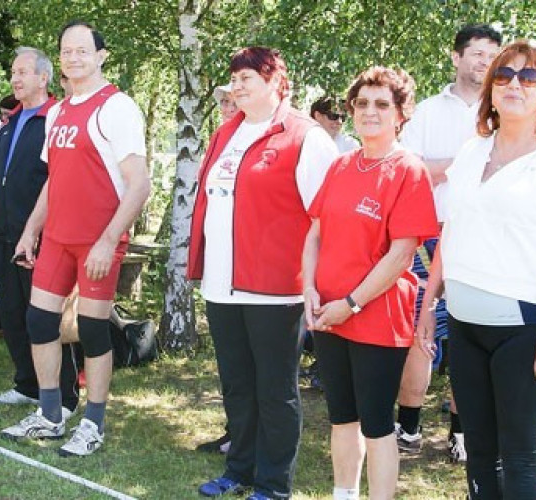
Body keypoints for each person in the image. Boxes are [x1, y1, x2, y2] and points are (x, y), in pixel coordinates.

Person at [188, 46, 338, 500]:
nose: (236, 85)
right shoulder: (226, 132)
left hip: (276, 288)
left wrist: (317, 283)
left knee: (275, 391)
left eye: (247, 78)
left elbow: (324, 219)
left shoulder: (305, 136)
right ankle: (240, 469)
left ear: (275, 82)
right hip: (222, 284)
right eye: (233, 77)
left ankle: (274, 485)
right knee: (237, 385)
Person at [1, 21, 150, 457]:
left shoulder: (117, 107)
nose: (73, 57)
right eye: (66, 51)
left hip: (97, 241)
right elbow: (54, 181)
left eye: (82, 50)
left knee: (93, 330)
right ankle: (51, 414)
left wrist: (108, 241)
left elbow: (139, 184)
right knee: (40, 323)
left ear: (101, 55)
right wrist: (31, 231)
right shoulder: (61, 110)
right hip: (58, 240)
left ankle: (93, 422)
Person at [302, 66, 437, 500]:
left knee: (376, 423)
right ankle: (344, 494)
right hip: (328, 312)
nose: (370, 112)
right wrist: (309, 288)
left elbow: (401, 255)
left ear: (400, 113)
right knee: (342, 417)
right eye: (361, 103)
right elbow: (315, 233)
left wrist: (352, 303)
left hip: (376, 317)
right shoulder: (341, 165)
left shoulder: (408, 170)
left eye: (382, 104)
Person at [417, 39, 536, 500]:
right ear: (490, 89)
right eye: (505, 75)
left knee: (520, 453)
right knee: (479, 451)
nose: (515, 85)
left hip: (522, 328)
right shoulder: (471, 152)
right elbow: (452, 234)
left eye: (530, 78)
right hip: (464, 324)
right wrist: (430, 303)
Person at [397, 23, 502, 460]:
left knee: (468, 333)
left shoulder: (504, 108)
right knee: (419, 329)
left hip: (483, 235)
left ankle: (461, 434)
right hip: (430, 230)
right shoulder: (428, 111)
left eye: (490, 54)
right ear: (456, 57)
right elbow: (409, 167)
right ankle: (408, 426)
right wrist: (463, 163)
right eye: (475, 53)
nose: (483, 61)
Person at [0, 47, 79, 411]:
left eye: (23, 72)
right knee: (12, 314)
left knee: (45, 318)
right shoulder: (7, 126)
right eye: (13, 72)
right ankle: (27, 385)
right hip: (5, 236)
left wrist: (39, 232)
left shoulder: (56, 120)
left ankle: (64, 395)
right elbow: (0, 181)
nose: (15, 79)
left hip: (41, 238)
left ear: (43, 77)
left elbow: (60, 181)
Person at [195, 80, 240, 457]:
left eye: (232, 99)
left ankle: (247, 438)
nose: (226, 105)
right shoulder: (221, 137)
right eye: (223, 100)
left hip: (252, 273)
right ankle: (235, 431)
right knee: (230, 364)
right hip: (219, 267)